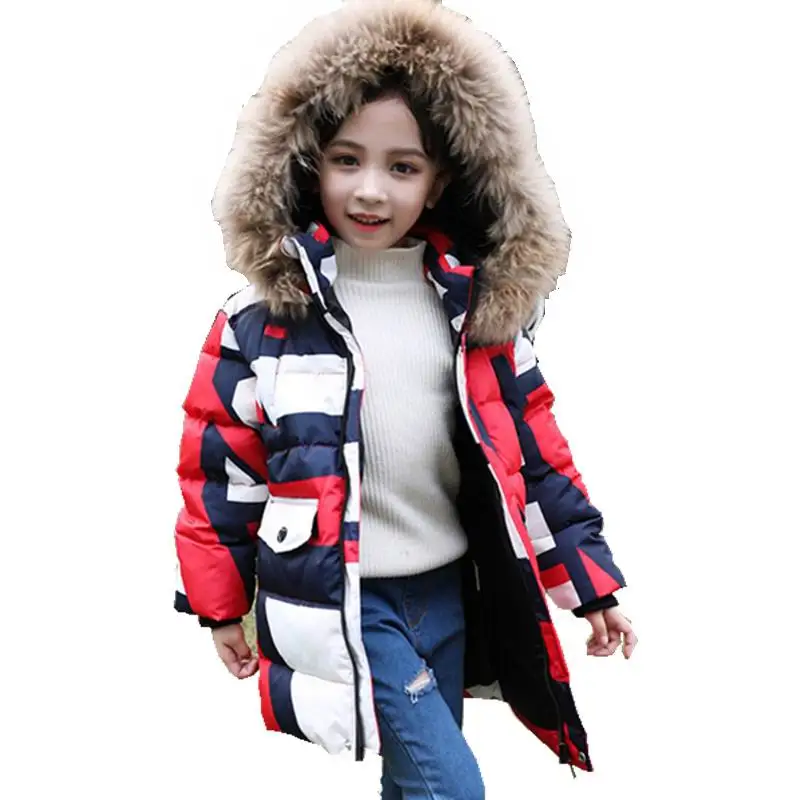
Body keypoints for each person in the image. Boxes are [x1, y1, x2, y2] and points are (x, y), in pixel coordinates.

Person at [173, 1, 637, 796]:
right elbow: (220, 472)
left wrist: (590, 581)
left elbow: (536, 458)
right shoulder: (261, 323)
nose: (369, 190)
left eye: (402, 167)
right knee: (449, 786)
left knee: (412, 784)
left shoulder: (477, 316)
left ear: (441, 179)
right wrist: (221, 606)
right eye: (346, 160)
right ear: (307, 165)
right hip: (347, 599)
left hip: (448, 590)